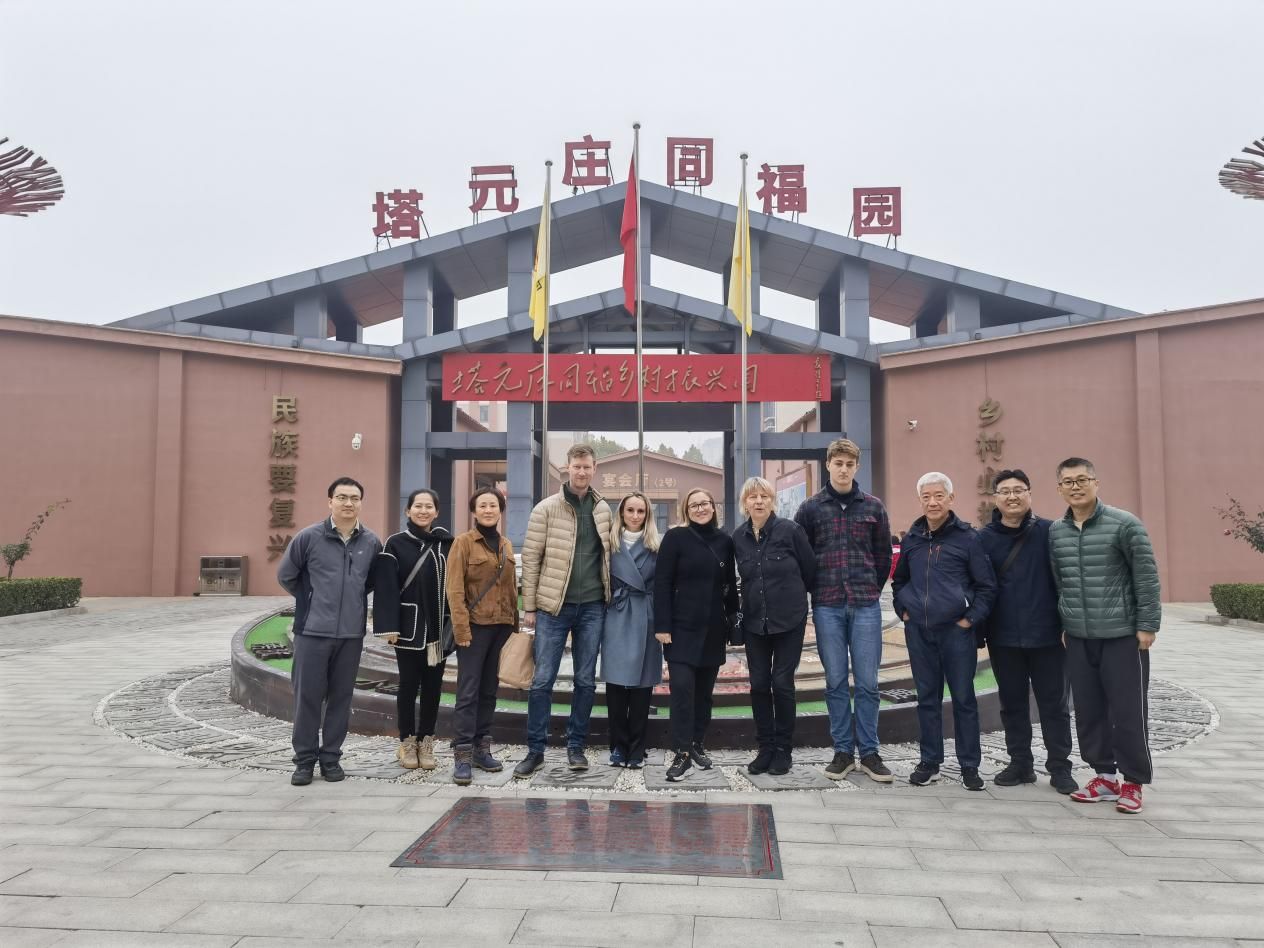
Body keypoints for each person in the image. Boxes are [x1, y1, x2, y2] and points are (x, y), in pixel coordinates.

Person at [1049, 457, 1161, 815]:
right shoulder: (1057, 531)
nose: (1076, 487)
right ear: (1059, 489)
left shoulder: (1124, 524)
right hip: (1078, 636)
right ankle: (1104, 777)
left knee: (1128, 711)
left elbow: (1146, 577)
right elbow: (1060, 581)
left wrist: (1148, 625)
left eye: (1082, 480)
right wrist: (1065, 623)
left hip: (1121, 635)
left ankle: (1133, 781)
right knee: (1089, 710)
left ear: (1096, 483)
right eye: (1068, 482)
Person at [794, 438, 894, 782]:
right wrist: (816, 589)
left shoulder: (874, 507)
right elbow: (802, 556)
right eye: (838, 463)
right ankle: (842, 751)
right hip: (827, 605)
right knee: (835, 681)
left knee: (867, 682)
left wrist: (870, 588)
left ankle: (869, 752)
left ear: (857, 467)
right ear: (828, 465)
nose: (843, 469)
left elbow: (883, 556)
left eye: (849, 464)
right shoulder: (810, 509)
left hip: (865, 604)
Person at [891, 472, 997, 790]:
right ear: (920, 500)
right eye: (926, 496)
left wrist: (969, 620)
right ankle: (930, 761)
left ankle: (969, 765)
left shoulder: (968, 538)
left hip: (956, 632)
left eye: (939, 495)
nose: (933, 502)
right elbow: (899, 580)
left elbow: (986, 586)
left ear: (951, 498)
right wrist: (903, 610)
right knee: (927, 699)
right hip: (919, 632)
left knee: (964, 698)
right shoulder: (912, 539)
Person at [514, 444, 613, 777]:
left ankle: (576, 747)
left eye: (587, 466)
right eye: (576, 466)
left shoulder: (603, 509)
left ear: (594, 469)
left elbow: (609, 556)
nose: (581, 472)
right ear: (566, 469)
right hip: (552, 608)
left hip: (593, 607)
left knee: (585, 680)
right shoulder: (546, 508)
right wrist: (529, 606)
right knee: (543, 680)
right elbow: (531, 559)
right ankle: (535, 750)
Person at [277, 476, 382, 786]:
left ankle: (331, 758)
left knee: (340, 699)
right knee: (307, 698)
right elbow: (287, 576)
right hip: (312, 632)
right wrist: (312, 599)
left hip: (350, 635)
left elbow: (371, 582)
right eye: (342, 497)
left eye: (354, 498)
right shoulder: (309, 538)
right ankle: (304, 761)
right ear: (330, 501)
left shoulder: (371, 542)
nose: (348, 503)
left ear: (361, 503)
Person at [978, 470, 1077, 794]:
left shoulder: (1051, 532)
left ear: (1029, 494)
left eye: (1018, 490)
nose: (1012, 496)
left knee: (1054, 705)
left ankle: (1060, 767)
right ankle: (1020, 763)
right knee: (1012, 703)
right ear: (996, 498)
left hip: (1048, 635)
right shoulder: (983, 538)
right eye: (1005, 491)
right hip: (1003, 636)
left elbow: (1068, 581)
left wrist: (1068, 625)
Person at [653, 487, 739, 782]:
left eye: (705, 503)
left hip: (714, 628)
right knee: (682, 690)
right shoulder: (675, 538)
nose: (700, 508)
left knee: (703, 695)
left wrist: (734, 621)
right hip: (680, 628)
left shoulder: (725, 542)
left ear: (713, 507)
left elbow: (730, 586)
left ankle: (697, 744)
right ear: (686, 510)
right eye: (694, 505)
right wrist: (662, 625)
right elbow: (662, 582)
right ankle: (681, 752)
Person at [734, 477, 816, 776]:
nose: (758, 501)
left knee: (782, 683)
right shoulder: (738, 537)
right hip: (755, 622)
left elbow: (810, 571)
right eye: (752, 497)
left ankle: (783, 749)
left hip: (789, 620)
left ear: (772, 501)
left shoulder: (790, 531)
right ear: (745, 503)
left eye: (764, 496)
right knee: (758, 684)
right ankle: (765, 747)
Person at [371, 488, 455, 771]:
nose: (423, 511)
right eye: (418, 506)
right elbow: (386, 587)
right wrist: (388, 626)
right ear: (408, 511)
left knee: (433, 687)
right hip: (408, 628)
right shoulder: (395, 543)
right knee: (408, 686)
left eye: (429, 506)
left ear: (437, 512)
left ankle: (426, 740)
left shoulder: (446, 543)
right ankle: (407, 741)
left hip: (438, 630)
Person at [446, 487, 518, 786]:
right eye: (483, 505)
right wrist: (461, 629)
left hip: (501, 627)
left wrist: (514, 627)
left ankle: (481, 749)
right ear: (474, 511)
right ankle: (462, 754)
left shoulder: (506, 544)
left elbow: (511, 589)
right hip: (474, 629)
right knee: (468, 692)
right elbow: (454, 590)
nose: (488, 510)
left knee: (489, 691)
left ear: (500, 509)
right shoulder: (463, 543)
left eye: (493, 505)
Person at [599, 491, 661, 769]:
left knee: (642, 685)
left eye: (641, 511)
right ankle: (618, 746)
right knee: (616, 683)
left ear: (647, 515)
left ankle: (637, 748)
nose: (635, 516)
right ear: (621, 513)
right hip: (617, 612)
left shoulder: (656, 545)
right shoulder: (608, 543)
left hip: (645, 614)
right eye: (630, 510)